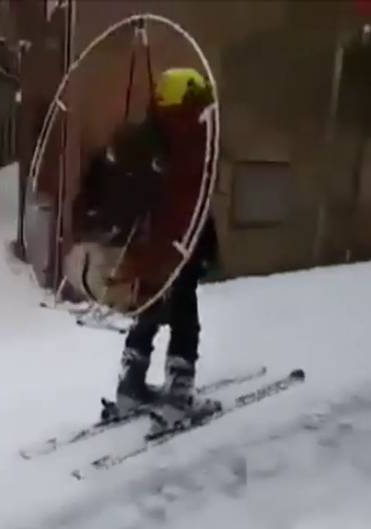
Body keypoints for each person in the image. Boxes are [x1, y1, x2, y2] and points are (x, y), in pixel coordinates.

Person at [104, 67, 222, 426]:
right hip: (182, 239)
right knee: (185, 310)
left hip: (151, 240)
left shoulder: (147, 137)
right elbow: (195, 191)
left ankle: (130, 386)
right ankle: (177, 395)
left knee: (151, 305)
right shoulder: (190, 136)